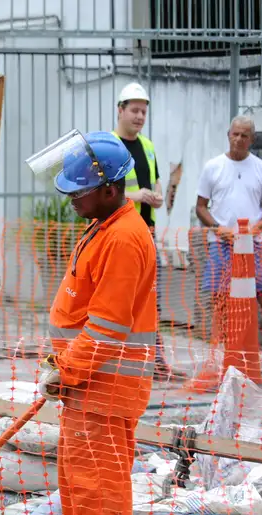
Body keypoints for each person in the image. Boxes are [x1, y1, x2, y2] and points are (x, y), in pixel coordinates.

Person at [30, 130, 155, 515]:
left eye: (79, 191)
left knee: (99, 484)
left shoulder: (124, 237)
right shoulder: (104, 226)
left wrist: (67, 369)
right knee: (79, 482)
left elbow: (106, 324)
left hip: (105, 385)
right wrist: (62, 367)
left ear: (110, 188)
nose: (71, 200)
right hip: (88, 384)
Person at [113, 82, 179, 381]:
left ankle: (152, 355)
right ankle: (121, 354)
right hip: (120, 232)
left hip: (146, 231)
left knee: (150, 295)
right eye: (134, 110)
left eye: (143, 112)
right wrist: (136, 196)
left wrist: (157, 195)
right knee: (122, 295)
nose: (139, 117)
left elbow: (155, 182)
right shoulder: (110, 146)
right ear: (120, 111)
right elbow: (102, 193)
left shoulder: (148, 146)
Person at [194, 115, 262, 350]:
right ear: (228, 135)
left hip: (254, 245)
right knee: (219, 302)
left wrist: (255, 231)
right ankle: (220, 356)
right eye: (235, 134)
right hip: (221, 243)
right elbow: (200, 206)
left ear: (252, 139)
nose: (238, 139)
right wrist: (219, 229)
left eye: (244, 136)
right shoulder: (213, 167)